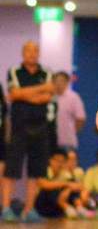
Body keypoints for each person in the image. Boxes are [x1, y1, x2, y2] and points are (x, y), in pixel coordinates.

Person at [2, 40, 54, 223]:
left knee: (36, 171)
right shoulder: (14, 71)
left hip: (40, 128)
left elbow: (48, 97)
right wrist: (38, 91)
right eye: (28, 50)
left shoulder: (46, 72)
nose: (32, 54)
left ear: (38, 53)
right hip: (19, 127)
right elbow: (14, 94)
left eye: (35, 51)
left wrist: (25, 94)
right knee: (11, 169)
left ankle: (29, 210)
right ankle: (7, 208)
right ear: (23, 53)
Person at [34, 148, 90, 219]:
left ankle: (79, 207)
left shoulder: (65, 173)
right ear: (50, 160)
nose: (59, 164)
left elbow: (77, 186)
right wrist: (66, 185)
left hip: (57, 208)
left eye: (62, 161)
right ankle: (66, 207)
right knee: (52, 188)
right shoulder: (44, 171)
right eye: (57, 160)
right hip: (42, 206)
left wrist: (68, 189)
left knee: (72, 189)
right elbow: (44, 184)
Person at [52, 72, 86, 152]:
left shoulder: (73, 97)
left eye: (61, 81)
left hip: (68, 142)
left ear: (67, 82)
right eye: (56, 81)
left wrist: (72, 131)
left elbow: (80, 119)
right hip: (50, 141)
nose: (59, 83)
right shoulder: (49, 97)